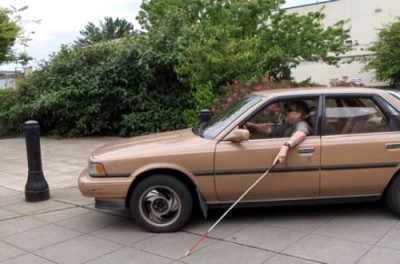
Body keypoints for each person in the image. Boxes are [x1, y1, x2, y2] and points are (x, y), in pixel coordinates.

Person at [245, 101, 311, 166]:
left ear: (298, 114)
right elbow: (268, 129)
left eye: (289, 110)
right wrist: (250, 125)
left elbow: (301, 133)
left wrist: (285, 146)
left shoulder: (302, 124)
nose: (286, 112)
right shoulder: (288, 125)